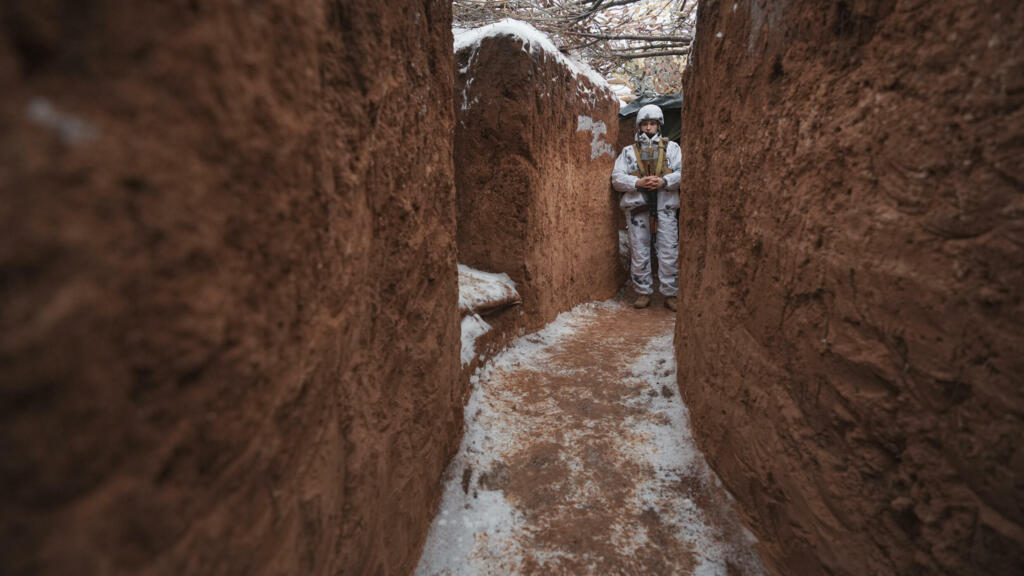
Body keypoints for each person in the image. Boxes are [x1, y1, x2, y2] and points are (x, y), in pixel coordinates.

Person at [611, 104, 683, 310]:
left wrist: (664, 181)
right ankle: (643, 291)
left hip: (665, 207)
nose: (649, 128)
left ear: (659, 125)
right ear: (639, 126)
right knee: (639, 250)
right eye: (645, 124)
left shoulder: (672, 149)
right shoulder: (628, 152)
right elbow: (617, 178)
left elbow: (683, 173)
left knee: (668, 250)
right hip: (638, 209)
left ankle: (670, 293)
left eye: (652, 123)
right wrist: (637, 183)